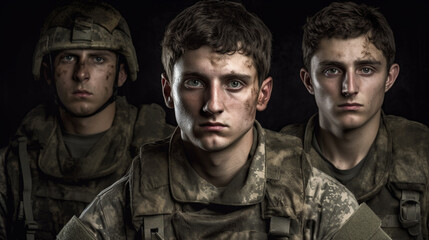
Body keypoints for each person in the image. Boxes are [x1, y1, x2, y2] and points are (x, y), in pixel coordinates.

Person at [56, 0, 391, 239]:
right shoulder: (127, 203)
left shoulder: (312, 199)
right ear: (168, 91)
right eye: (195, 82)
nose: (212, 104)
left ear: (262, 94)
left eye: (234, 83)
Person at [0, 1, 175, 239]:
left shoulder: (165, 150)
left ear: (121, 73)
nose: (81, 73)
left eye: (98, 59)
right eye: (69, 57)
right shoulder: (16, 161)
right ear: (48, 72)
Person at [280, 1, 429, 239]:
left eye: (366, 69)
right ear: (308, 81)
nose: (349, 88)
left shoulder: (422, 153)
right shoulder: (275, 158)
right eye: (332, 70)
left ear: (389, 78)